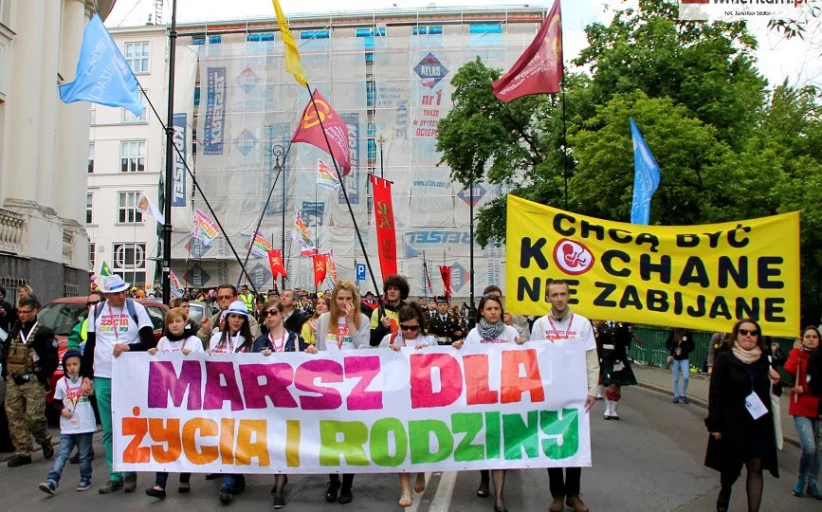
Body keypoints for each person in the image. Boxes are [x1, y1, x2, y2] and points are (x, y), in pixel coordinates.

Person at [81, 275, 156, 494]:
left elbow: (149, 342)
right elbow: (90, 345)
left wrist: (128, 348)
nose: (121, 296)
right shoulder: (96, 311)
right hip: (103, 375)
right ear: (106, 295)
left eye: (123, 291)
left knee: (128, 424)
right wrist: (86, 376)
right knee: (108, 428)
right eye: (116, 293)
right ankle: (115, 475)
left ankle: (130, 470)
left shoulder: (136, 309)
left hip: (129, 376)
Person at [530, 280, 599, 512]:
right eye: (554, 295)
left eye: (563, 294)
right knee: (552, 442)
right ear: (547, 298)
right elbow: (534, 359)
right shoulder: (540, 325)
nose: (559, 299)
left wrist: (592, 390)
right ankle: (557, 495)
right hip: (550, 393)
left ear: (569, 296)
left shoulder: (582, 324)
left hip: (576, 393)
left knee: (573, 443)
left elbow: (591, 358)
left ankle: (573, 495)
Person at [453, 294, 523, 512]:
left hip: (505, 395)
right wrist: (458, 348)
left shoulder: (511, 333)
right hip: (481, 395)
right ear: (482, 312)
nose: (493, 312)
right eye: (489, 309)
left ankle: (499, 498)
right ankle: (484, 479)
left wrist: (523, 345)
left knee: (500, 444)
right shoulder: (474, 335)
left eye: (496, 308)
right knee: (485, 440)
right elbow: (465, 361)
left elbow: (523, 359)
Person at [705, 318, 781, 512]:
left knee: (755, 466)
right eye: (744, 332)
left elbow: (772, 394)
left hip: (757, 424)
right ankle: (725, 491)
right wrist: (715, 425)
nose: (749, 336)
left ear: (758, 337)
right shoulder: (725, 359)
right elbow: (716, 394)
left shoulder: (764, 360)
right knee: (730, 469)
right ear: (736, 335)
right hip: (732, 424)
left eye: (753, 333)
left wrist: (776, 382)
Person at [313, 281, 371, 503]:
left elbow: (364, 350)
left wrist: (350, 324)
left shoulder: (362, 320)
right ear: (333, 300)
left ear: (354, 300)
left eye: (349, 299)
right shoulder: (323, 320)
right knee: (329, 435)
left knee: (350, 436)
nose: (344, 303)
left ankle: (347, 483)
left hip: (351, 385)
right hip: (328, 385)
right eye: (340, 298)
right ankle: (333, 480)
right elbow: (320, 349)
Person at [378, 302, 436, 507]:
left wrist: (427, 353)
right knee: (401, 442)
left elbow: (440, 365)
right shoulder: (389, 340)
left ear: (420, 325)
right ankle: (405, 489)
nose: (409, 332)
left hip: (422, 398)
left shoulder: (429, 340)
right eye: (405, 327)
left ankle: (420, 472)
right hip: (398, 398)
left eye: (414, 328)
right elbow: (376, 365)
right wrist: (389, 353)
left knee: (420, 439)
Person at [144, 308, 204, 499]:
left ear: (185, 322)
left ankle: (184, 477)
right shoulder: (163, 341)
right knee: (165, 438)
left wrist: (193, 356)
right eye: (171, 322)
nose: (175, 325)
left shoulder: (194, 341)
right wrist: (152, 354)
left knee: (185, 438)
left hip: (187, 398)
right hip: (167, 399)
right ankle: (160, 484)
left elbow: (205, 366)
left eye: (178, 321)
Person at [253, 299, 303, 509]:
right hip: (269, 401)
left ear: (282, 314)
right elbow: (250, 371)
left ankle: (280, 486)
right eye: (265, 314)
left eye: (273, 312)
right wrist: (260, 359)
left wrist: (310, 353)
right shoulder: (260, 342)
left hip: (291, 399)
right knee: (274, 443)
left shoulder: (297, 339)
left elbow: (306, 366)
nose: (269, 317)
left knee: (285, 442)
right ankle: (280, 480)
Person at [2, 297, 58, 467]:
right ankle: (23, 451)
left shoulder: (43, 333)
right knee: (14, 417)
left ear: (34, 311)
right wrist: (6, 373)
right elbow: (5, 353)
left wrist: (41, 376)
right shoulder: (14, 331)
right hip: (15, 380)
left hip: (33, 380)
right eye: (20, 312)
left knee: (34, 417)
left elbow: (52, 360)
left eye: (25, 312)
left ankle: (44, 440)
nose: (22, 315)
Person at [207, 300, 254, 503]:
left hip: (238, 398)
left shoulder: (248, 342)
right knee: (221, 438)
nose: (236, 321)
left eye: (240, 317)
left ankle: (227, 485)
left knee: (232, 438)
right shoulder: (215, 338)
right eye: (233, 316)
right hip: (217, 396)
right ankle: (235, 476)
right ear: (226, 319)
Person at [37, 350, 94, 494]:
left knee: (84, 455)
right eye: (68, 365)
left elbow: (93, 395)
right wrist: (62, 410)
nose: (72, 368)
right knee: (62, 454)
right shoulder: (61, 383)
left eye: (75, 364)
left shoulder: (86, 381)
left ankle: (85, 477)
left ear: (81, 364)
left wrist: (89, 391)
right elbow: (56, 402)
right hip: (67, 427)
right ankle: (52, 481)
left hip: (85, 426)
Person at [784, 326, 821, 498]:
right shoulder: (798, 354)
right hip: (800, 407)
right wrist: (795, 351)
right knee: (809, 447)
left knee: (817, 449)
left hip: (818, 407)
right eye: (808, 336)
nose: (811, 339)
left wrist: (804, 388)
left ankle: (812, 483)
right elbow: (789, 369)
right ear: (802, 339)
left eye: (814, 336)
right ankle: (801, 479)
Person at [595, 321, 637, 420]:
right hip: (607, 358)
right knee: (611, 383)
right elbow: (599, 344)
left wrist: (629, 331)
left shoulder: (622, 325)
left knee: (618, 384)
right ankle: (607, 409)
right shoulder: (602, 326)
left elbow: (626, 342)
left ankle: (614, 410)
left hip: (619, 358)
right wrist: (598, 359)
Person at [197, 284, 261, 346]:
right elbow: (199, 344)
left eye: (227, 297)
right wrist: (206, 331)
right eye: (220, 298)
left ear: (236, 298)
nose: (223, 300)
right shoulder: (212, 320)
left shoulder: (249, 320)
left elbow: (254, 345)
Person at [369, 275, 410, 347]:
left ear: (402, 292)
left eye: (396, 289)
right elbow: (372, 341)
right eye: (389, 288)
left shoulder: (410, 311)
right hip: (384, 352)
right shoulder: (378, 312)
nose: (392, 291)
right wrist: (382, 327)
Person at [666, 327, 695, 404]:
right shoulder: (673, 332)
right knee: (675, 379)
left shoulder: (687, 332)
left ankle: (683, 394)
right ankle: (676, 396)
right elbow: (667, 343)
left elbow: (692, 346)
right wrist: (672, 348)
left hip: (684, 358)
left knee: (686, 377)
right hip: (675, 358)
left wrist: (686, 348)